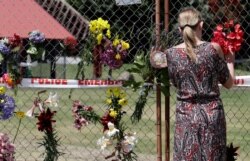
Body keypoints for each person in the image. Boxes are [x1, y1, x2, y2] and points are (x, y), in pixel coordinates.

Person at [150, 7, 235, 161]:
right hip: (212, 115)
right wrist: (230, 61)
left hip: (186, 115)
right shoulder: (213, 49)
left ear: (179, 29)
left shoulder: (171, 54)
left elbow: (173, 81)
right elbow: (229, 84)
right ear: (201, 25)